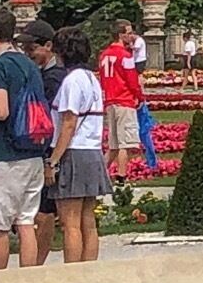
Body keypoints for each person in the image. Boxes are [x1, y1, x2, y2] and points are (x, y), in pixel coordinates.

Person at [0, 6, 46, 270]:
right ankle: (27, 280)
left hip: (6, 154)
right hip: (33, 151)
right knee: (26, 221)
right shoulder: (29, 63)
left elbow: (2, 111)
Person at [45, 28, 109, 263]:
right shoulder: (92, 78)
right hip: (92, 151)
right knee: (88, 222)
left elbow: (69, 124)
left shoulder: (71, 81)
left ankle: (72, 272)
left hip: (74, 152)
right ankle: (89, 269)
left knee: (69, 223)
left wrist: (53, 161)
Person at [22, 21, 67, 265]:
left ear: (48, 46)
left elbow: (51, 120)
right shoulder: (46, 74)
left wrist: (50, 159)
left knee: (45, 212)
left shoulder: (54, 78)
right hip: (46, 148)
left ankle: (37, 263)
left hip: (50, 149)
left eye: (32, 48)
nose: (29, 54)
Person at [98, 21, 143, 184]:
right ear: (121, 35)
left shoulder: (104, 54)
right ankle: (122, 176)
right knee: (126, 142)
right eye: (129, 33)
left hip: (110, 100)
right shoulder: (125, 55)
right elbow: (132, 80)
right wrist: (139, 96)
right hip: (124, 100)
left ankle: (99, 173)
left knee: (113, 144)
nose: (132, 36)